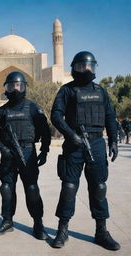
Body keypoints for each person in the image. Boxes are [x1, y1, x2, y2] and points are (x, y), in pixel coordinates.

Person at [50, 51, 120, 251]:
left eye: (90, 66)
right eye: (82, 66)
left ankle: (101, 231)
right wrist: (70, 135)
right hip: (74, 144)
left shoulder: (100, 91)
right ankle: (62, 230)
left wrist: (114, 140)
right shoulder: (67, 90)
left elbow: (110, 117)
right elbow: (56, 116)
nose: (86, 69)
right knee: (69, 188)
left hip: (97, 144)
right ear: (74, 68)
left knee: (99, 188)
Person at [0, 71, 51, 240]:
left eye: (18, 85)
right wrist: (2, 148)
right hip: (8, 154)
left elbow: (45, 131)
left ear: (24, 87)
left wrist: (45, 150)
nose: (15, 89)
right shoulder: (2, 111)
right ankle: (7, 221)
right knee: (7, 188)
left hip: (28, 152)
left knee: (31, 188)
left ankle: (38, 223)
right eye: (11, 86)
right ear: (6, 88)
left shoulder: (33, 108)